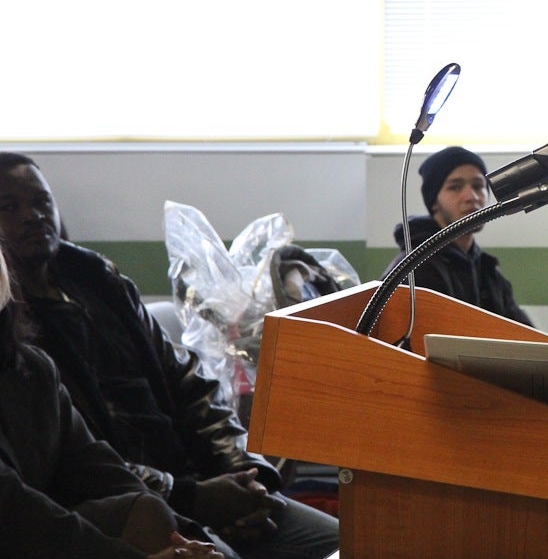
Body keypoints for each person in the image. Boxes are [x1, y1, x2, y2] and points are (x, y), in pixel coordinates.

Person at [0, 152, 339, 559]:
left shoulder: (101, 285)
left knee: (350, 541)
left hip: (192, 492)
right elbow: (53, 499)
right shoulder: (27, 345)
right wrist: (193, 502)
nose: (33, 216)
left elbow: (188, 385)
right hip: (135, 511)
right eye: (8, 207)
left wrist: (244, 476)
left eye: (42, 201)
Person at [0, 246, 223, 558]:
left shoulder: (31, 367)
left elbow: (97, 466)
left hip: (50, 533)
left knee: (146, 510)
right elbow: (17, 515)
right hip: (23, 538)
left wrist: (185, 536)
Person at [383, 145, 534, 326]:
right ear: (434, 203)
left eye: (478, 186)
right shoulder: (413, 269)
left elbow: (525, 335)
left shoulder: (487, 270)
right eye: (455, 187)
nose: (471, 196)